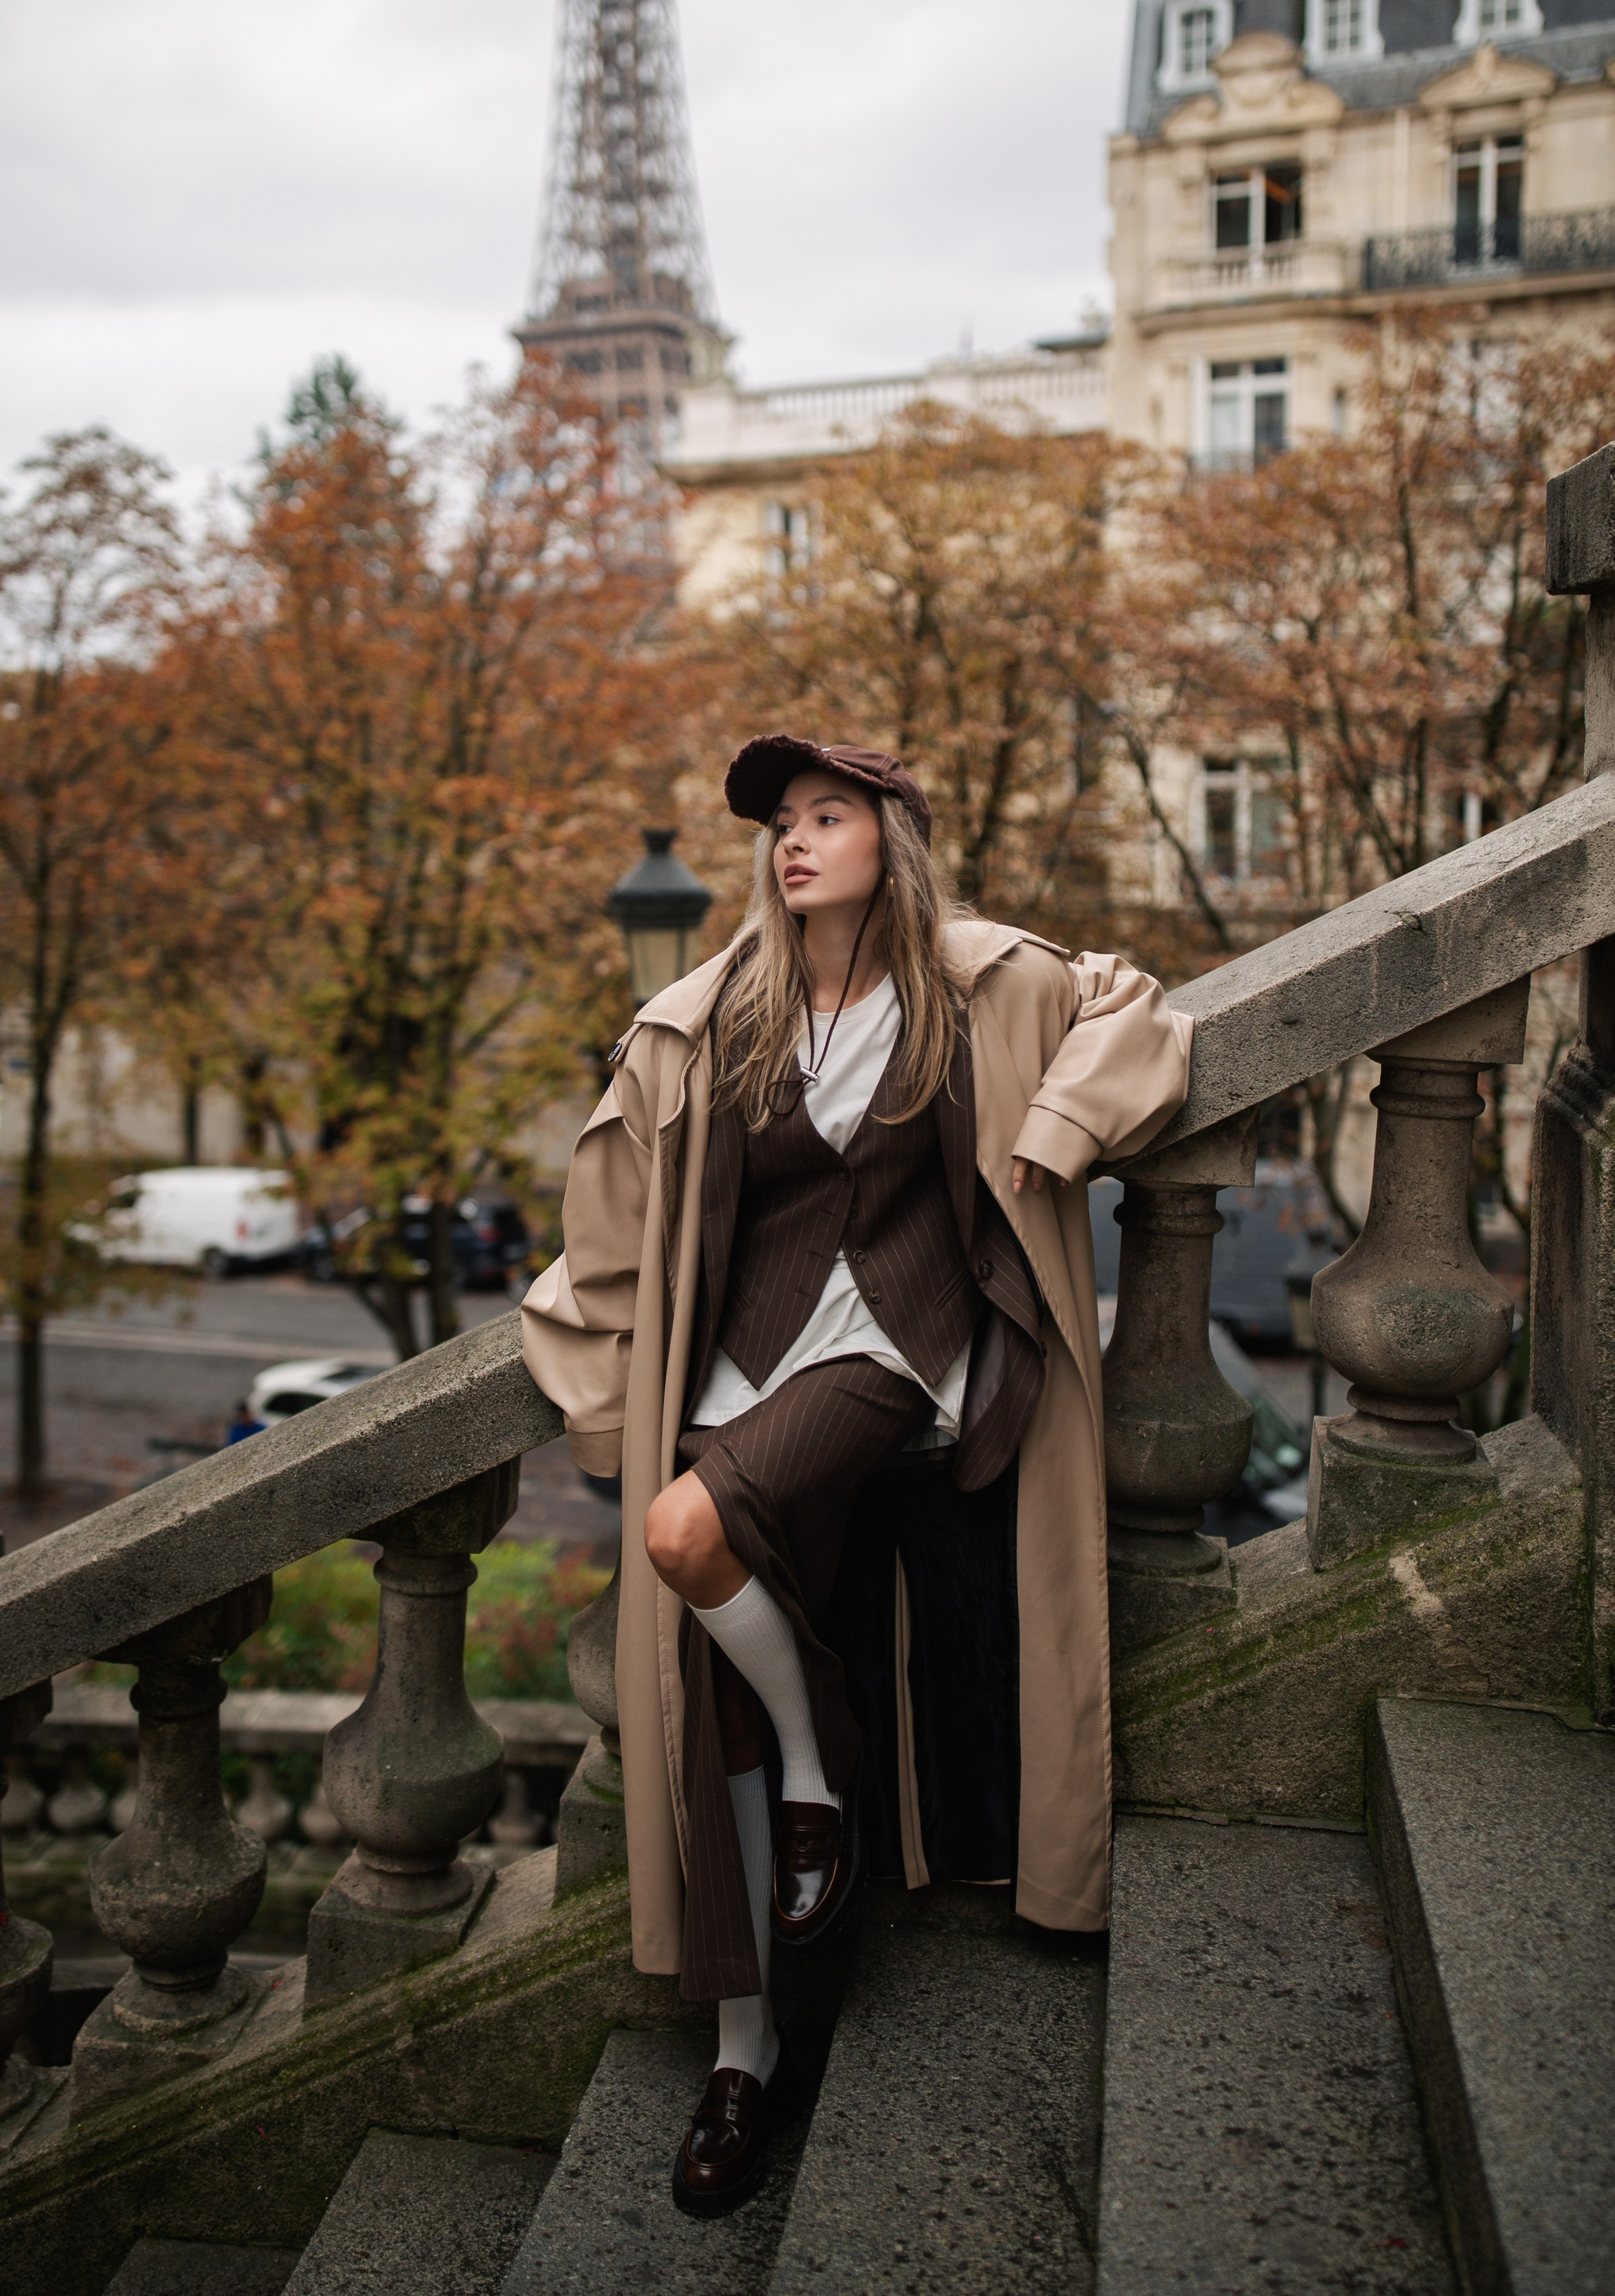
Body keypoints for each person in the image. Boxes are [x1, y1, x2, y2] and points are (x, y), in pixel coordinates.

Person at [522, 736, 1192, 2219]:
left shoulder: (984, 980)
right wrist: (595, 1386)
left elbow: (1139, 1020)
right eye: (778, 823)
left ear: (893, 837)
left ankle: (822, 1772)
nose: (792, 843)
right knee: (707, 1719)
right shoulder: (717, 1018)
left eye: (826, 816)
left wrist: (1059, 1131)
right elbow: (616, 1225)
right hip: (741, 1367)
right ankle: (742, 2055)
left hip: (894, 1352)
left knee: (681, 1533)